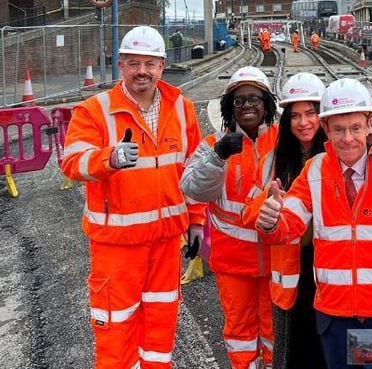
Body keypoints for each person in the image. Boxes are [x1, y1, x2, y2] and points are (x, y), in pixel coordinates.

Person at [61, 25, 204, 369]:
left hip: (166, 244)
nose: (143, 71)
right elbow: (71, 163)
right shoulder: (95, 111)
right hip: (117, 247)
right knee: (116, 330)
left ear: (162, 65)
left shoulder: (182, 108)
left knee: (160, 328)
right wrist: (107, 159)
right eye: (134, 63)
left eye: (150, 63)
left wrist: (196, 221)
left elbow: (194, 173)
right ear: (121, 65)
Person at [255, 78, 372, 369]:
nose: (348, 139)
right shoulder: (314, 169)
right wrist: (270, 222)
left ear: (370, 123)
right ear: (326, 128)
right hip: (334, 315)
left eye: (356, 128)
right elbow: (289, 224)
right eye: (339, 130)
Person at [180, 67, 279, 369]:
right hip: (234, 265)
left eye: (254, 99)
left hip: (276, 261)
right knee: (240, 331)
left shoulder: (283, 140)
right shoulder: (213, 146)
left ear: (267, 104)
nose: (247, 105)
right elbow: (193, 188)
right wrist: (218, 157)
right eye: (239, 101)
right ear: (229, 108)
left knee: (274, 331)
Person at [242, 72, 329, 369]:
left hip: (331, 266)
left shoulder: (339, 154)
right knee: (295, 352)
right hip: (292, 272)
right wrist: (267, 212)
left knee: (332, 350)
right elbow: (251, 211)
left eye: (311, 113)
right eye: (295, 116)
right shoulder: (273, 160)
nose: (303, 122)